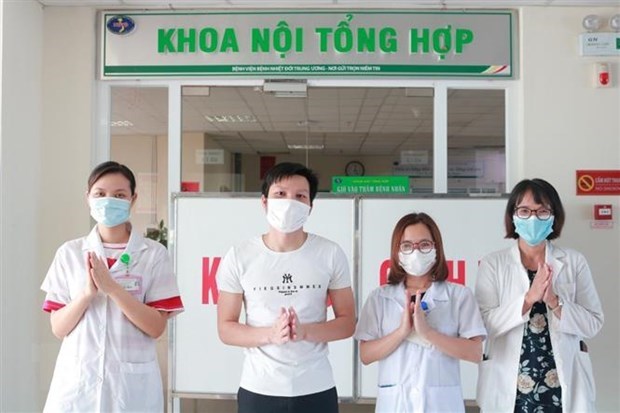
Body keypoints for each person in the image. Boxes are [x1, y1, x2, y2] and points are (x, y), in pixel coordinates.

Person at [41, 161, 184, 412]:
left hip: (130, 389)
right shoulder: (70, 253)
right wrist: (87, 294)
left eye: (119, 195)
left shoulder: (153, 254)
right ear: (88, 198)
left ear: (133, 198)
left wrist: (114, 289)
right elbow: (58, 328)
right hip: (77, 387)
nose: (109, 201)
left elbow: (156, 327)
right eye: (100, 194)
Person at [216, 162, 356, 413]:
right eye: (280, 194)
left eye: (300, 196)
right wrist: (270, 335)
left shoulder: (330, 253)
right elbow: (226, 328)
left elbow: (347, 322)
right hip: (259, 388)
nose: (290, 202)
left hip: (316, 386)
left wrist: (305, 332)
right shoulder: (239, 255)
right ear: (264, 201)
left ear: (310, 206)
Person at [475, 178, 604, 412]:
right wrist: (527, 299)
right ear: (513, 216)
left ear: (554, 216)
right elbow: (483, 326)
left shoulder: (574, 262)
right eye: (524, 211)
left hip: (561, 387)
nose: (533, 218)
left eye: (542, 211)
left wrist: (555, 302)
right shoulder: (493, 263)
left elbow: (593, 324)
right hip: (511, 389)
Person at [355, 212, 486, 413]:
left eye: (424, 245)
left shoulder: (459, 296)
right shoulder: (379, 298)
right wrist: (401, 332)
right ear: (397, 252)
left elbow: (475, 353)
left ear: (436, 248)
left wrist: (428, 334)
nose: (416, 252)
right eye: (407, 246)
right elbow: (365, 355)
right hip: (396, 405)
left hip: (441, 406)